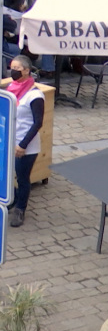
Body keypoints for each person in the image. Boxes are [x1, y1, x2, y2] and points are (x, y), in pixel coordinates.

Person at [7, 55, 43, 227]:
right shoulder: (10, 88)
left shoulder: (35, 95)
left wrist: (23, 145)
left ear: (27, 71)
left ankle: (20, 209)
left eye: (17, 68)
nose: (13, 71)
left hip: (25, 145)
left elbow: (38, 123)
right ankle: (12, 197)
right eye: (11, 67)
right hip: (9, 141)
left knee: (22, 178)